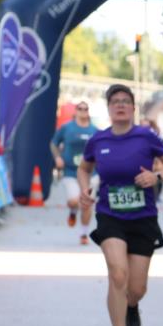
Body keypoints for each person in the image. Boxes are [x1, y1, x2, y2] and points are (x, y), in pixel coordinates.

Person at [76, 84, 163, 326]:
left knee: (136, 288)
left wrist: (156, 177)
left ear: (133, 108)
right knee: (117, 273)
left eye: (125, 101)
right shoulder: (98, 140)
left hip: (143, 218)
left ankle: (132, 305)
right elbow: (84, 168)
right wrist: (85, 189)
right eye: (115, 102)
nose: (120, 105)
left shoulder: (146, 136)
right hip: (110, 215)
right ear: (109, 109)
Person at [51, 101, 97, 243]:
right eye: (80, 108)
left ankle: (84, 234)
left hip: (91, 173)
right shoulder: (67, 128)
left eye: (85, 109)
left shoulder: (95, 130)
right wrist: (58, 157)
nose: (83, 111)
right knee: (73, 201)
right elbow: (53, 143)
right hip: (71, 171)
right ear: (75, 111)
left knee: (87, 202)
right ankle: (72, 211)